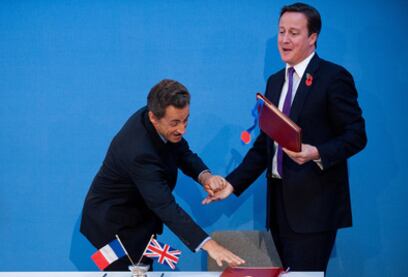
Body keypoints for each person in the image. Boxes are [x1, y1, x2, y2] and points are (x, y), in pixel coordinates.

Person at [203, 2, 367, 273]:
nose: (284, 39)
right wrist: (232, 184)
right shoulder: (275, 81)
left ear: (312, 37)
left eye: (293, 32)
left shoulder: (333, 77)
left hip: (315, 210)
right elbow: (265, 144)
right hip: (279, 209)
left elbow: (357, 135)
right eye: (281, 32)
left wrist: (317, 152)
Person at [80, 79, 245, 271]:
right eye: (175, 123)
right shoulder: (138, 152)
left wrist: (206, 177)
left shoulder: (157, 118)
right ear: (153, 117)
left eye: (186, 120)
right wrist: (209, 245)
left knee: (142, 269)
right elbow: (164, 205)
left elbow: (182, 152)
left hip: (139, 221)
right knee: (130, 272)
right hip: (112, 227)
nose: (182, 129)